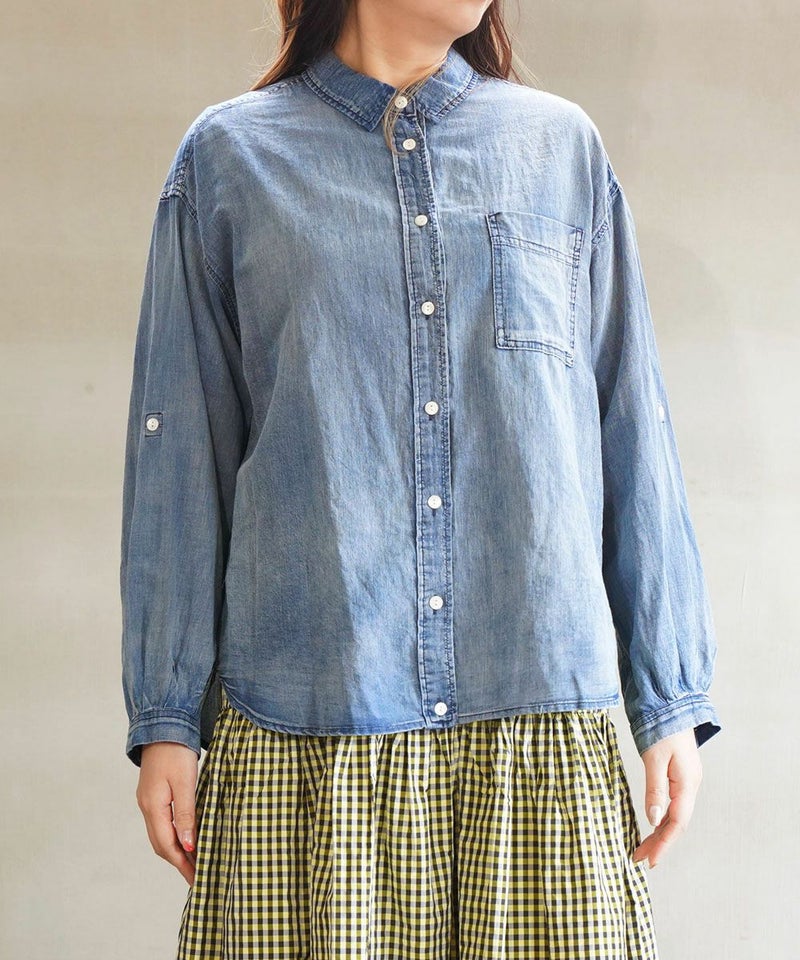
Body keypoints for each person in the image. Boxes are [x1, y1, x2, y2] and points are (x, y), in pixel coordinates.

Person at [120, 1, 722, 957]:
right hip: (312, 738)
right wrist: (167, 713)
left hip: (537, 734)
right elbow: (179, 452)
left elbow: (631, 425)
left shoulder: (560, 150)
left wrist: (669, 697)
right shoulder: (231, 160)